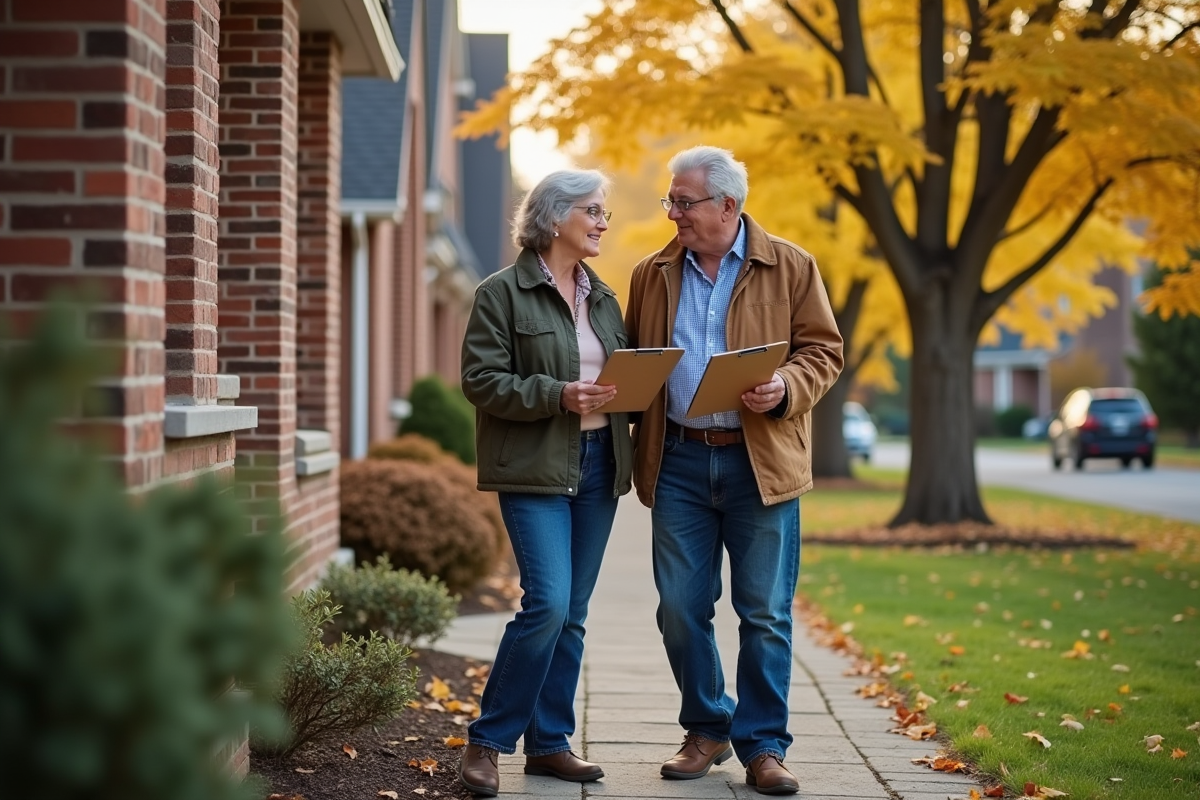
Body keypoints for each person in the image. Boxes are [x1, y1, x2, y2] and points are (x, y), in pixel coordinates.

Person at [624, 146, 844, 795]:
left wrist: (785, 386)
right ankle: (708, 726)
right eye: (670, 200)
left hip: (762, 463)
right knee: (680, 608)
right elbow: (638, 358)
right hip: (682, 460)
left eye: (683, 201)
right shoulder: (651, 272)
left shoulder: (792, 266)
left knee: (765, 613)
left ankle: (764, 746)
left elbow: (824, 352)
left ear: (728, 204)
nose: (673, 213)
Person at [458, 169, 633, 797]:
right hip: (534, 469)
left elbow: (621, 372)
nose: (603, 222)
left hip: (599, 465)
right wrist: (558, 395)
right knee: (547, 603)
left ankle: (550, 744)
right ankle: (487, 742)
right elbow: (480, 381)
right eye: (594, 210)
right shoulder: (500, 294)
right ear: (555, 216)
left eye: (605, 211)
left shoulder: (605, 298)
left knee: (574, 614)